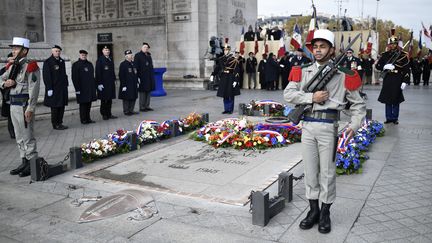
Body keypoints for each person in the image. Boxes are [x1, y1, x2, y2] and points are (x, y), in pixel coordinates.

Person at [284, 29, 366, 234]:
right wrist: (311, 98)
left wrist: (353, 126)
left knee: (327, 174)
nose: (318, 50)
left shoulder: (346, 75)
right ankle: (313, 211)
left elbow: (358, 106)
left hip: (329, 128)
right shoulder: (302, 70)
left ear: (331, 50)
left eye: (323, 47)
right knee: (311, 172)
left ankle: (325, 213)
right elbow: (289, 94)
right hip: (308, 127)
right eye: (315, 47)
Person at [1, 37, 41, 177]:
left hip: (24, 106)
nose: (13, 50)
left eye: (16, 48)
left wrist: (31, 108)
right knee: (19, 137)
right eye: (13, 48)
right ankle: (24, 161)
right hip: (13, 105)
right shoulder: (12, 66)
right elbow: (1, 78)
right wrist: (4, 84)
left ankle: (32, 164)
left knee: (28, 136)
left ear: (25, 50)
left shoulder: (31, 66)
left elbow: (34, 89)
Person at [376, 36, 410, 124]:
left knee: (395, 99)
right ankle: (388, 117)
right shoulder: (385, 54)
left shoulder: (402, 55)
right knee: (387, 99)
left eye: (394, 44)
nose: (392, 45)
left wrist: (405, 81)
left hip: (397, 78)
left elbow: (406, 69)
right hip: (387, 78)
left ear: (397, 44)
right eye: (391, 44)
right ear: (389, 44)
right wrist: (384, 66)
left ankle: (395, 118)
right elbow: (377, 66)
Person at [43, 45, 69, 130]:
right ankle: (55, 124)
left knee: (61, 106)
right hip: (54, 88)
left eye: (58, 51)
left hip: (62, 88)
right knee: (55, 107)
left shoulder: (61, 61)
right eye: (56, 51)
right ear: (52, 52)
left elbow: (64, 74)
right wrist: (49, 88)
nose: (57, 52)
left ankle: (60, 122)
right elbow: (46, 76)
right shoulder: (48, 62)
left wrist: (66, 84)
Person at [211, 45, 240, 114]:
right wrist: (213, 74)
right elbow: (217, 68)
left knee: (230, 94)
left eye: (227, 50)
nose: (225, 51)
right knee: (225, 94)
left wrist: (236, 80)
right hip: (224, 77)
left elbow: (236, 70)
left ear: (229, 50)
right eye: (224, 50)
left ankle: (230, 109)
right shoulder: (221, 59)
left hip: (231, 77)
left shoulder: (234, 59)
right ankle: (226, 109)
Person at [71, 49, 97, 124]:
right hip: (81, 88)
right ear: (80, 55)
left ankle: (88, 118)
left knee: (89, 104)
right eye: (82, 55)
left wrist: (94, 87)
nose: (84, 56)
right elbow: (74, 78)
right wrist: (77, 89)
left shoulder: (89, 64)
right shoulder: (76, 65)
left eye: (85, 55)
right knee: (83, 105)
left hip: (89, 88)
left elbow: (92, 77)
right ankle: (83, 120)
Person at [96, 46, 117, 120]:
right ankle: (104, 114)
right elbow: (98, 72)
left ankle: (109, 113)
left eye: (108, 50)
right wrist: (99, 83)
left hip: (110, 83)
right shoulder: (100, 60)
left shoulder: (110, 59)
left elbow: (112, 71)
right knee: (104, 100)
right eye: (105, 50)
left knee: (109, 99)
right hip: (104, 84)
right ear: (102, 51)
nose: (107, 51)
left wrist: (114, 79)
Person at [134, 42, 155, 112]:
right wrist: (137, 77)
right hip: (142, 77)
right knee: (142, 92)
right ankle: (142, 107)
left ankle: (147, 106)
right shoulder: (138, 55)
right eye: (144, 47)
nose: (145, 48)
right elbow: (135, 67)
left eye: (146, 47)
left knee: (148, 92)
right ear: (141, 48)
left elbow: (151, 66)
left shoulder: (149, 56)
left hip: (149, 77)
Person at [118, 50, 139, 116]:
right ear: (126, 56)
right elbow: (121, 75)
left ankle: (131, 110)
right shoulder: (123, 64)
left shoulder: (133, 63)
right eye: (129, 55)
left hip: (134, 84)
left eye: (131, 54)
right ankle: (126, 111)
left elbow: (136, 73)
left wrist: (137, 82)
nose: (131, 56)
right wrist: (123, 85)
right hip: (127, 84)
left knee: (133, 97)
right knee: (127, 98)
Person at [0, 52, 15, 138]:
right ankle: (12, 132)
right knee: (10, 116)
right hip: (7, 96)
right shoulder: (3, 70)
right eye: (10, 60)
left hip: (17, 95)